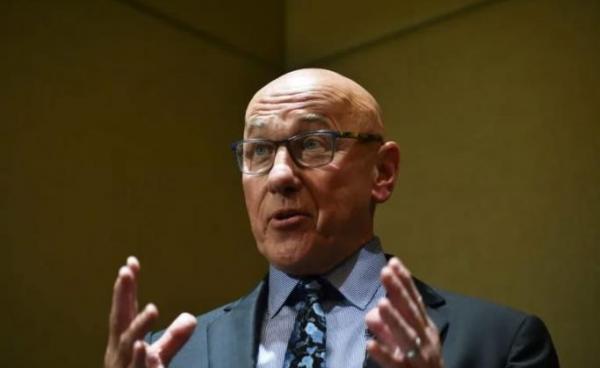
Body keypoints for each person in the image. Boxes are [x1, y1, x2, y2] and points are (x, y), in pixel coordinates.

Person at [104, 68, 559, 368]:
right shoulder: (174, 356)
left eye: (314, 144)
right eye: (260, 151)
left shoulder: (502, 345)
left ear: (382, 172)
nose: (280, 175)